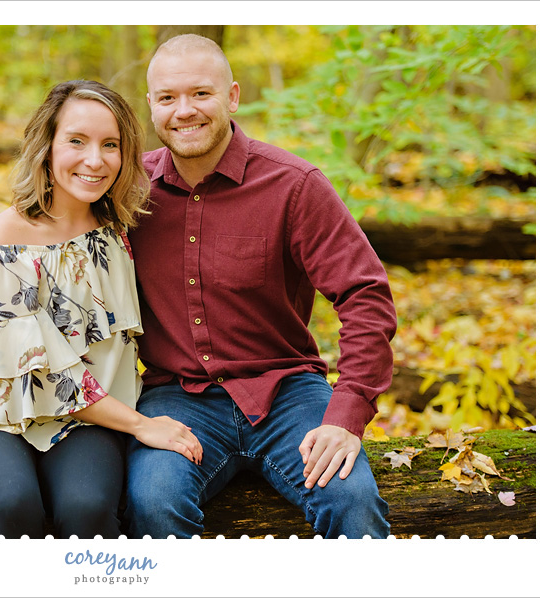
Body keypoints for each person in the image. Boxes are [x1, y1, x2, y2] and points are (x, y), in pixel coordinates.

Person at [121, 34, 397, 539]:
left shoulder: (294, 185)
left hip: (287, 391)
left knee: (351, 500)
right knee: (151, 502)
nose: (185, 111)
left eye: (201, 93)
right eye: (167, 98)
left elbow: (365, 296)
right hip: (176, 396)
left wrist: (348, 413)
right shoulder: (126, 190)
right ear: (151, 107)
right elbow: (48, 237)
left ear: (233, 96)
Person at [0, 79, 202, 540]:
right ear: (46, 146)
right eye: (76, 141)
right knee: (14, 506)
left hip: (91, 416)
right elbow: (46, 375)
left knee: (87, 510)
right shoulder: (4, 238)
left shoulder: (122, 226)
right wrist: (144, 426)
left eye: (111, 145)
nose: (95, 160)